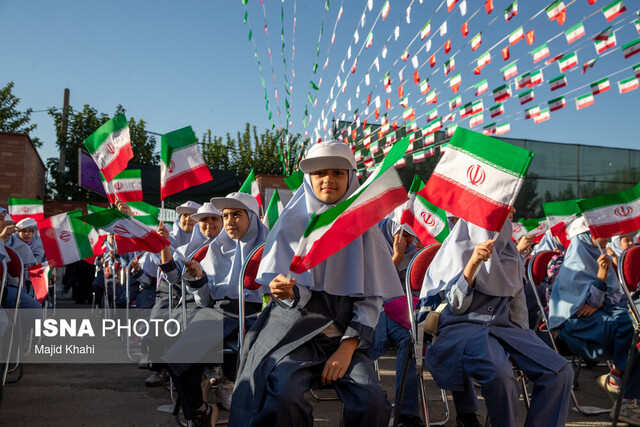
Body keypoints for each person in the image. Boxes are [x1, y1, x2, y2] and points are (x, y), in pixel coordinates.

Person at [230, 140, 402, 427]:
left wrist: (347, 346)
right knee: (280, 393)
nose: (328, 180)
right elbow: (282, 290)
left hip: (348, 335)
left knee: (370, 398)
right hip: (294, 332)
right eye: (320, 172)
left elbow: (371, 298)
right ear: (309, 178)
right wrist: (284, 291)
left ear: (351, 177)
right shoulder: (290, 223)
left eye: (337, 172)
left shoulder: (365, 229)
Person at [420, 209, 573, 427]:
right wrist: (472, 264)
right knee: (500, 375)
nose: (502, 224)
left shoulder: (511, 253)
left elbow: (518, 310)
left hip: (506, 330)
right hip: (463, 329)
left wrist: (527, 346)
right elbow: (455, 307)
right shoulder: (456, 249)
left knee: (559, 370)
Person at [163, 193, 269, 426]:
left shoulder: (270, 248)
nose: (230, 221)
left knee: (258, 364)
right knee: (175, 358)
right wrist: (199, 278)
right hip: (216, 315)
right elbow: (203, 300)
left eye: (236, 215)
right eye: (226, 215)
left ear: (252, 217)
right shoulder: (213, 250)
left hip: (255, 317)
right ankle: (200, 410)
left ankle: (248, 409)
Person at [549, 231, 640, 425]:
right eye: (599, 236)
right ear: (584, 242)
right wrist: (601, 276)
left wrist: (599, 301)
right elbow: (582, 306)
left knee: (635, 329)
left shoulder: (603, 259)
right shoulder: (571, 266)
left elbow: (616, 299)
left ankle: (622, 390)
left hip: (600, 319)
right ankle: (624, 394)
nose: (604, 241)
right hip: (576, 328)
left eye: (606, 238)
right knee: (627, 326)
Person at [370, 218, 424, 427]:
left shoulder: (417, 252)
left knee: (409, 340)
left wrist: (426, 256)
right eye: (401, 234)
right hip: (377, 312)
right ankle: (371, 400)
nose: (406, 240)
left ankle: (406, 412)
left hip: (407, 316)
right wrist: (397, 256)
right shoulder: (374, 242)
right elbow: (374, 285)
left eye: (410, 235)